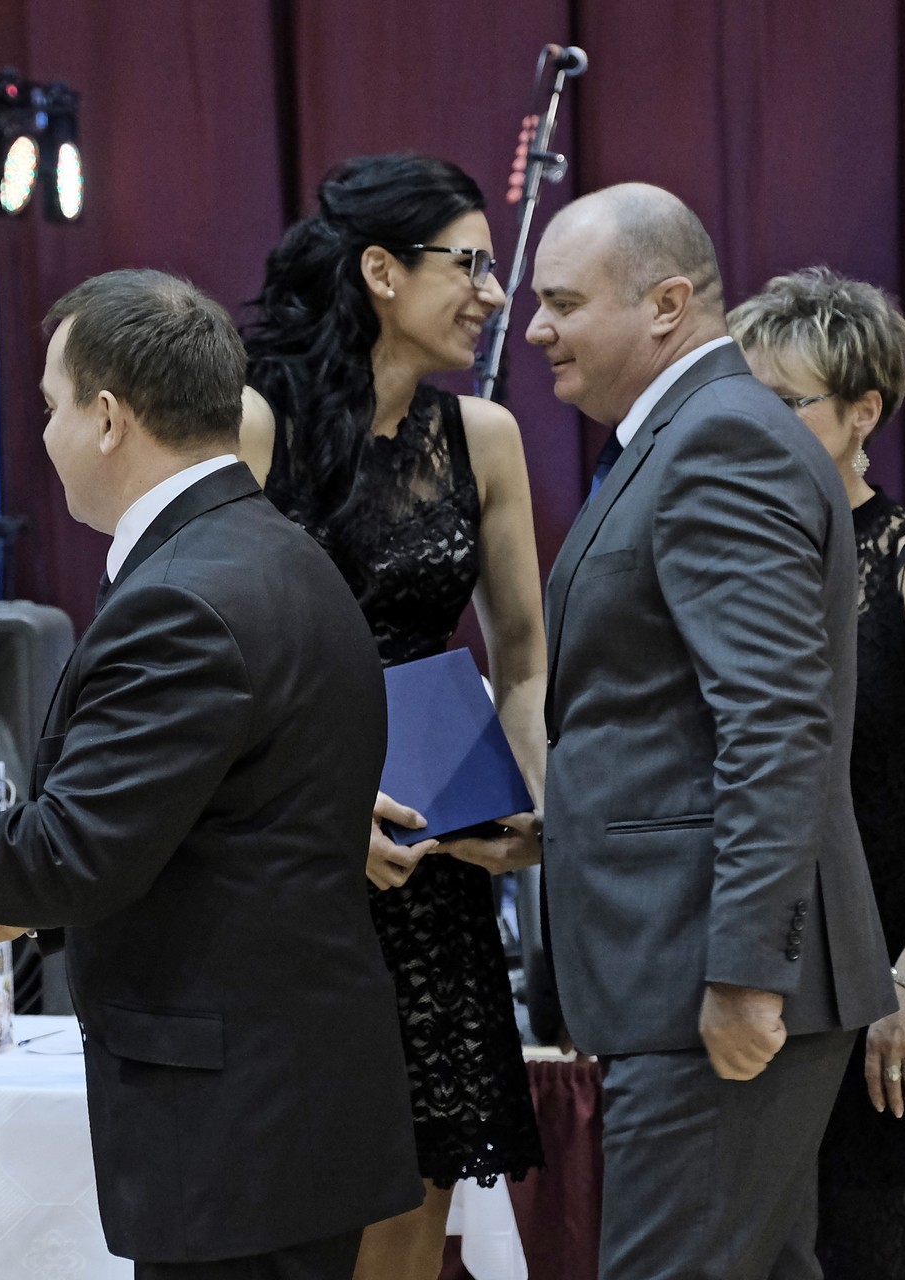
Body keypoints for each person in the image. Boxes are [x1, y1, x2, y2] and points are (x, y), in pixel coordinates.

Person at [0, 268, 422, 1279]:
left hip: (237, 1124)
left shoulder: (183, 593)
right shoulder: (278, 551)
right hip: (285, 1101)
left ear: (105, 417)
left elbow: (72, 851)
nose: (44, 435)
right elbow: (195, 833)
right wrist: (18, 907)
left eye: (50, 407)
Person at [527, 184, 896, 1280]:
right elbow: (664, 718)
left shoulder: (720, 439)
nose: (536, 328)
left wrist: (745, 972)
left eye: (563, 302)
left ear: (667, 305)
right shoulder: (686, 435)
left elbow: (777, 722)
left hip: (709, 980)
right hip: (677, 969)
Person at [240, 152, 546, 1279]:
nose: (495, 292)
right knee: (298, 1204)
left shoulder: (485, 436)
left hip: (435, 866)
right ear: (381, 270)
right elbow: (204, 664)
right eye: (471, 264)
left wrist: (533, 800)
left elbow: (523, 657)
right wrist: (320, 810)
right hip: (288, 862)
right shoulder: (251, 421)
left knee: (421, 1190)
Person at [729, 268, 905, 1280]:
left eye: (786, 404)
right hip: (754, 992)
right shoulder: (725, 561)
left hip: (893, 986)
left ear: (864, 411)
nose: (754, 428)